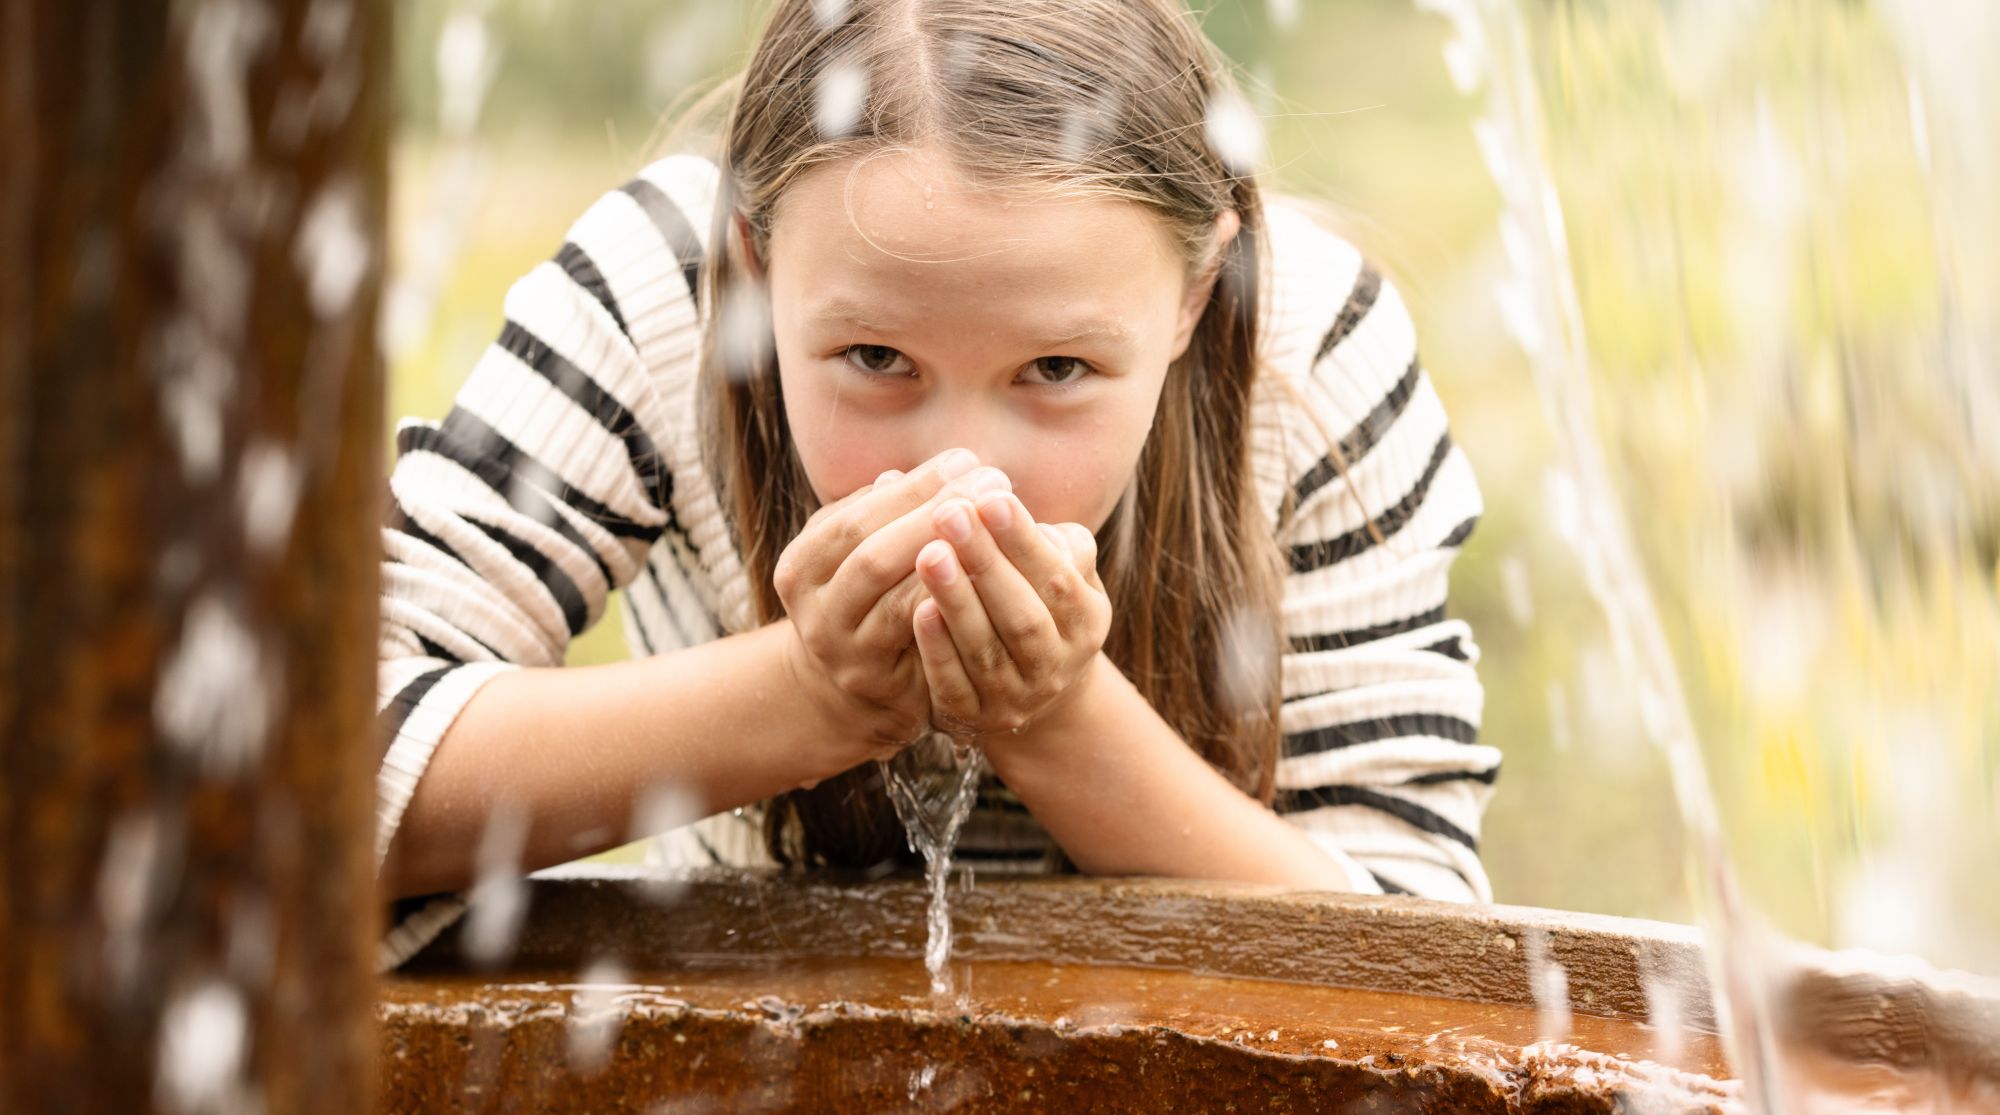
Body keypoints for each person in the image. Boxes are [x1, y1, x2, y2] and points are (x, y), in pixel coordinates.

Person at [374, 0, 1498, 969]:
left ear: (1193, 296)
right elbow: (303, 786)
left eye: (1056, 370)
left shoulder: (1301, 352)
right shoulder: (667, 298)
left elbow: (1422, 962)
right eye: (875, 361)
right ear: (757, 265)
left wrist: (1059, 720)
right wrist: (801, 698)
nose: (959, 471)